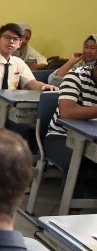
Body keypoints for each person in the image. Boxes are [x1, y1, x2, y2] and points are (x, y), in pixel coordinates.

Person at [44, 61, 97, 199]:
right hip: (62, 136)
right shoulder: (76, 75)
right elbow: (66, 112)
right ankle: (69, 215)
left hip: (92, 141)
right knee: (79, 162)